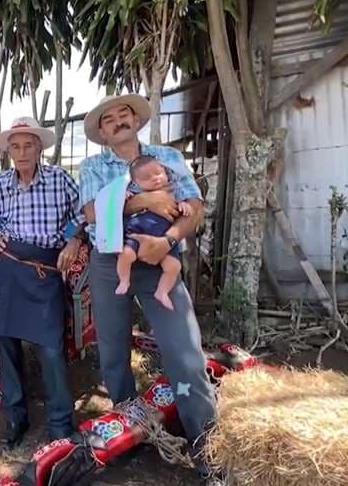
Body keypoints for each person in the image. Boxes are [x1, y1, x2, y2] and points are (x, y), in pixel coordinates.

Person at [78, 94, 219, 484]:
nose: (119, 121)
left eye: (125, 114)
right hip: (111, 262)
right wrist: (147, 199)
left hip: (161, 258)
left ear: (136, 121)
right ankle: (131, 432)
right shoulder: (93, 165)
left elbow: (195, 204)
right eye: (110, 119)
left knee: (184, 350)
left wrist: (168, 239)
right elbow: (90, 212)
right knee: (112, 348)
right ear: (103, 133)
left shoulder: (167, 157)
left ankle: (207, 447)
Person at [0, 117, 83, 449]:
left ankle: (60, 424)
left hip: (44, 270)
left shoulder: (60, 180)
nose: (22, 152)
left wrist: (71, 242)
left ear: (39, 147)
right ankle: (15, 417)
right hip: (9, 269)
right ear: (8, 150)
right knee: (6, 344)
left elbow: (81, 215)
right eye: (15, 146)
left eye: (28, 145)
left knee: (51, 348)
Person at [116, 155, 194, 310]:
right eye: (146, 178)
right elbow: (118, 204)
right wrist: (125, 197)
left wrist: (184, 206)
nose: (155, 179)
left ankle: (162, 291)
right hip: (137, 232)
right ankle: (124, 280)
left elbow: (184, 206)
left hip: (164, 236)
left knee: (173, 267)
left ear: (165, 172)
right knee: (126, 255)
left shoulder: (173, 191)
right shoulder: (134, 193)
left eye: (159, 173)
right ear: (136, 182)